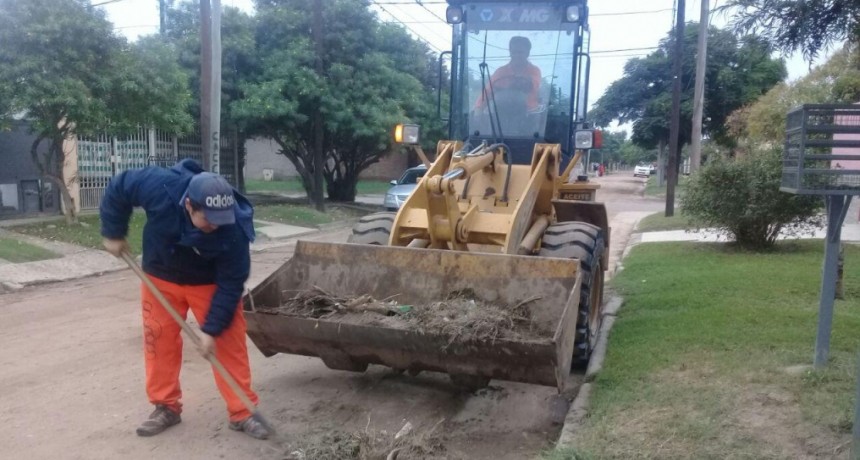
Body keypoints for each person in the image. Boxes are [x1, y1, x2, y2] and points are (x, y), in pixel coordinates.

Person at [100, 159, 268, 440]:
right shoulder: (159, 186)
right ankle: (165, 406)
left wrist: (211, 330)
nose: (216, 226)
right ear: (189, 205)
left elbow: (230, 285)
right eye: (208, 219)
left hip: (209, 282)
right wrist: (113, 232)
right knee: (159, 339)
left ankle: (242, 411)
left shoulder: (234, 227)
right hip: (161, 276)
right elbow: (119, 187)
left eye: (220, 219)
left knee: (227, 341)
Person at [474, 36, 542, 112]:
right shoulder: (500, 72)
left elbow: (531, 85)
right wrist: (478, 108)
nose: (517, 55)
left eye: (520, 52)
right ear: (510, 52)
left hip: (529, 115)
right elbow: (488, 92)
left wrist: (510, 85)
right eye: (514, 52)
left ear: (527, 53)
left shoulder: (534, 71)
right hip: (500, 117)